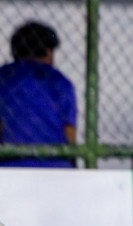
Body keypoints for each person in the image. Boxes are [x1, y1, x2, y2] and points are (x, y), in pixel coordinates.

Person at [0, 21, 76, 167]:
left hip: (11, 166)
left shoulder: (4, 76)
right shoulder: (60, 82)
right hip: (56, 166)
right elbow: (69, 136)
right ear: (48, 51)